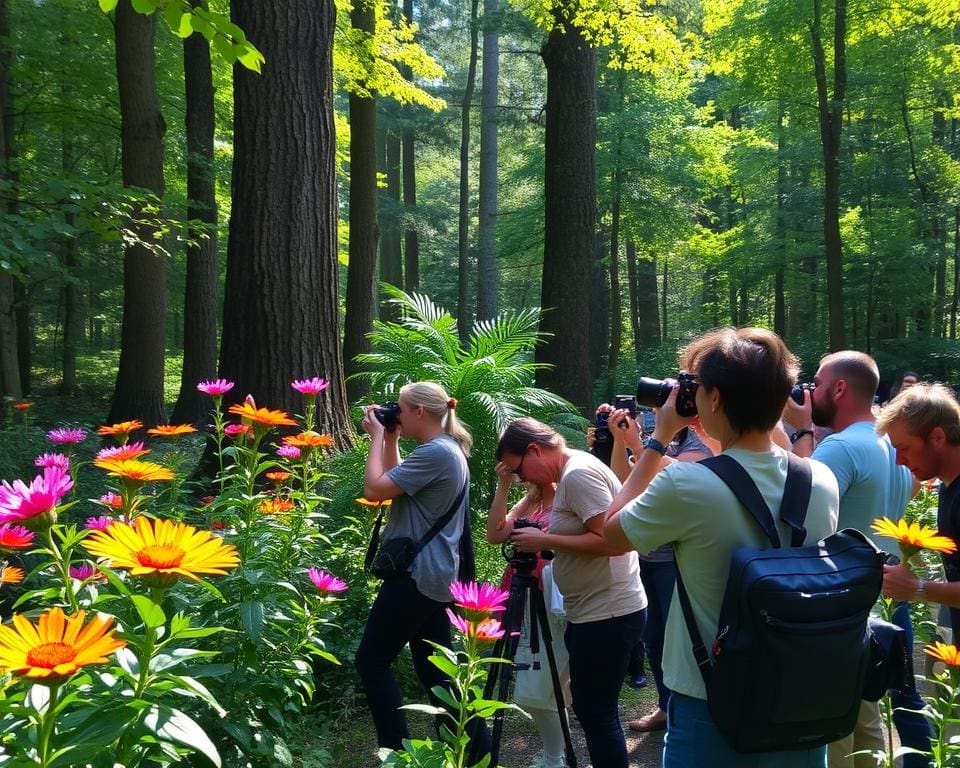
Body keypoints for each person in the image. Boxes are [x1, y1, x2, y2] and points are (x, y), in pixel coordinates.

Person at [603, 327, 840, 768]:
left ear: (714, 400)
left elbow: (611, 533)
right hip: (801, 691)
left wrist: (657, 439)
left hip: (711, 698)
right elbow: (751, 466)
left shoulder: (687, 484)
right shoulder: (819, 479)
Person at [782, 351, 929, 768]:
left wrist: (802, 432)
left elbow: (797, 510)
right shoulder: (890, 442)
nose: (810, 391)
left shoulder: (842, 448)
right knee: (871, 716)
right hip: (883, 589)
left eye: (818, 383)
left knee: (839, 724)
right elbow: (912, 494)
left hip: (842, 601)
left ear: (840, 389)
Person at [497, 418, 646, 768]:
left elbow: (613, 543)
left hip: (607, 611)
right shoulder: (574, 468)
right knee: (594, 709)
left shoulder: (577, 474)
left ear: (534, 450)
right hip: (597, 610)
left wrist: (545, 540)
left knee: (596, 712)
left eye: (519, 469)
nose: (521, 479)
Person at [355, 381, 487, 755]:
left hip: (416, 576)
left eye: (399, 407)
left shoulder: (437, 453)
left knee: (371, 663)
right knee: (436, 674)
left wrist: (376, 438)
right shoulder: (444, 449)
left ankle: (393, 752)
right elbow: (398, 484)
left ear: (419, 412)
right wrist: (392, 439)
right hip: (435, 576)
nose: (394, 413)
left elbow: (375, 490)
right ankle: (476, 752)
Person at [605, 405, 712, 733]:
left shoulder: (699, 446)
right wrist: (618, 440)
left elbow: (677, 476)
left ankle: (688, 711)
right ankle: (666, 708)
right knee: (653, 637)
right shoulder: (657, 443)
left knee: (679, 638)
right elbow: (623, 482)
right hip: (647, 558)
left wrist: (642, 446)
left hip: (675, 562)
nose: (656, 414)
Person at [487, 470, 570, 768]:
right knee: (543, 686)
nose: (519, 475)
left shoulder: (566, 498)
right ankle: (554, 756)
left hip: (551, 603)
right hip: (523, 599)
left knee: (540, 687)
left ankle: (554, 758)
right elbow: (495, 533)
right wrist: (503, 484)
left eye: (519, 469)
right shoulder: (530, 502)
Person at [876, 383, 960, 633]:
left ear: (937, 437)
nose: (899, 461)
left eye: (904, 449)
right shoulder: (948, 486)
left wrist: (919, 589)